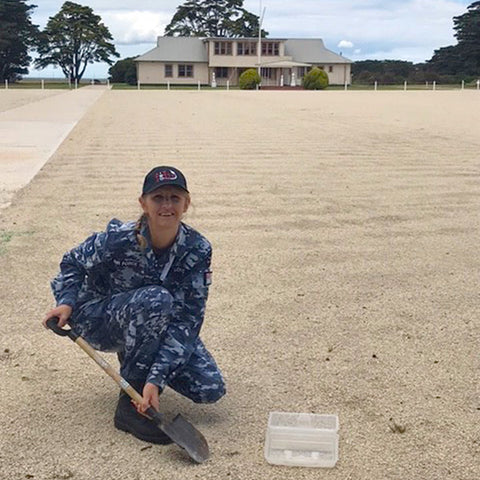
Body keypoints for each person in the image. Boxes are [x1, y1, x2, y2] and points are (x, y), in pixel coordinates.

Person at [43, 166, 226, 444]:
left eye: (174, 198)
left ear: (186, 203)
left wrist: (157, 378)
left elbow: (188, 321)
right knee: (157, 299)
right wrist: (66, 303)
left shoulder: (198, 249)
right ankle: (128, 409)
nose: (167, 205)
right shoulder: (119, 238)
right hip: (99, 318)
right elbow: (73, 262)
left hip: (153, 321)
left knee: (209, 387)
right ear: (143, 203)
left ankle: (141, 366)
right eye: (158, 198)